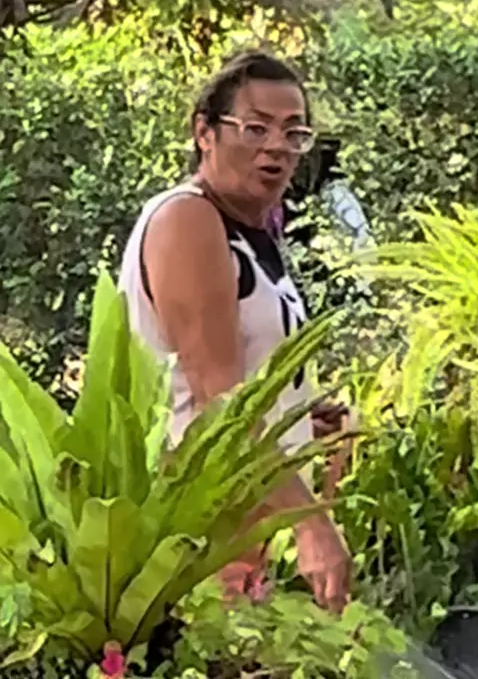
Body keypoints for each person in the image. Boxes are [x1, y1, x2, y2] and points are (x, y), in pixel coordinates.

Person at [119, 50, 351, 612]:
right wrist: (312, 525)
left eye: (294, 132)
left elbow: (242, 378)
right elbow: (221, 400)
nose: (277, 146)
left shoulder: (247, 233)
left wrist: (300, 413)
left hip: (241, 540)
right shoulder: (189, 219)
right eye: (255, 128)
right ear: (205, 132)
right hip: (194, 543)